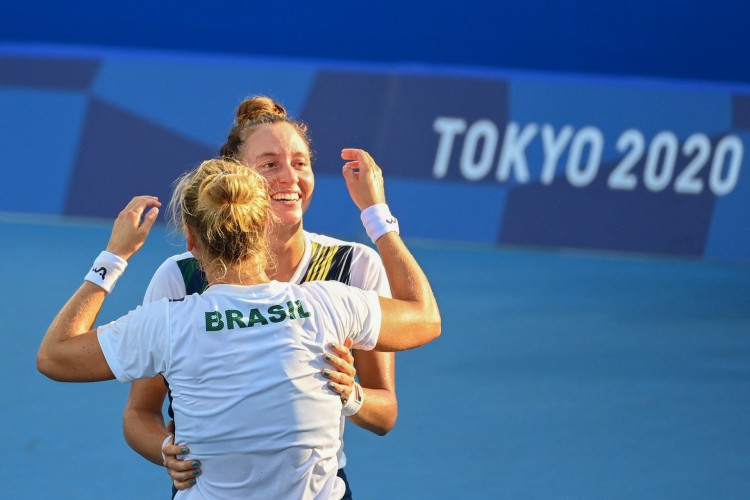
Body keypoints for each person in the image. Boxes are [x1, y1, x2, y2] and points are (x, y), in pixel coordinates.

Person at [37, 153, 441, 499]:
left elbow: (55, 356)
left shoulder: (168, 322)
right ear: (265, 226)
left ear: (191, 241)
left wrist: (114, 256)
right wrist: (378, 217)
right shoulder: (329, 303)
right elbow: (425, 318)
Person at [123, 96, 398, 496]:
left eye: (300, 162)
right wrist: (165, 449)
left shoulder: (354, 266)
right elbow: (139, 411)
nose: (290, 178)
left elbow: (385, 412)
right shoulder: (181, 277)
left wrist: (352, 395)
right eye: (270, 165)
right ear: (237, 181)